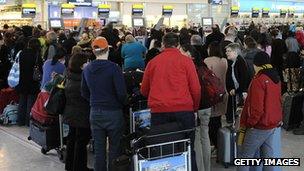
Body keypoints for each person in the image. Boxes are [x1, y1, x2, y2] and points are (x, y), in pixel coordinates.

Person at [141, 32, 201, 171]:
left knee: (162, 152)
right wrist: (194, 109)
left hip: (159, 113)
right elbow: (196, 89)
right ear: (178, 44)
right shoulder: (187, 62)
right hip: (184, 111)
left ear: (163, 44)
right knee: (187, 149)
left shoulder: (153, 62)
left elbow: (144, 90)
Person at [81, 37, 127, 171]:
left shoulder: (87, 69)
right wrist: (122, 103)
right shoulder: (114, 68)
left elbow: (84, 92)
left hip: (95, 112)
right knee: (114, 148)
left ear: (94, 52)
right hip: (113, 112)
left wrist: (94, 101)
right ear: (107, 49)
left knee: (99, 150)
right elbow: (121, 93)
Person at [237, 51, 283, 171]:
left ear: (256, 64)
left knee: (244, 157)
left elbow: (257, 108)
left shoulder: (259, 80)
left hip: (259, 125)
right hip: (272, 123)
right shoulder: (276, 78)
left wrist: (250, 123)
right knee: (267, 156)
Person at [64, 53, 92, 171]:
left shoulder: (69, 76)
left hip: (70, 113)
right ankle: (80, 167)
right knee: (81, 142)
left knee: (71, 139)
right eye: (87, 62)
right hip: (82, 114)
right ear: (81, 66)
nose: (89, 63)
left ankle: (69, 165)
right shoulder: (83, 80)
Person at [204, 41, 228, 156]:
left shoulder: (207, 61)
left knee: (210, 122)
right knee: (218, 121)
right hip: (223, 94)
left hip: (211, 95)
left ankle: (214, 145)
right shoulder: (224, 61)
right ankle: (220, 146)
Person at [15, 38, 43, 126]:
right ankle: (28, 122)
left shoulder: (21, 53)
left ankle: (20, 120)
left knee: (22, 101)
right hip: (32, 81)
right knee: (31, 101)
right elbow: (40, 68)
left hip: (22, 80)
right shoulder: (36, 55)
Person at [225, 43, 249, 123]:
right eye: (226, 51)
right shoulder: (233, 62)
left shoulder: (240, 62)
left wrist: (237, 90)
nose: (226, 53)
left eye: (229, 51)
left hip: (241, 92)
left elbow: (243, 80)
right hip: (237, 91)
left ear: (235, 52)